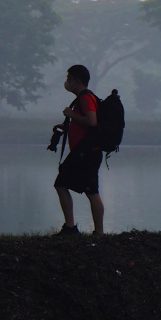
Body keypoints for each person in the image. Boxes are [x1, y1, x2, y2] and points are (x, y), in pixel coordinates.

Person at [53, 64, 105, 235]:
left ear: (77, 80)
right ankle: (71, 227)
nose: (67, 82)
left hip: (88, 153)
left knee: (90, 191)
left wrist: (70, 114)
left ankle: (95, 231)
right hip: (83, 152)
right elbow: (84, 124)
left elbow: (92, 121)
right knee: (64, 184)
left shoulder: (86, 98)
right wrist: (67, 125)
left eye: (69, 78)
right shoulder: (81, 99)